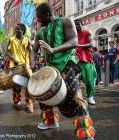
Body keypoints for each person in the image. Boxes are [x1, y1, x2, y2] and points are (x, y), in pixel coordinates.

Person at [33, 3, 95, 140]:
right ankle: (50, 122)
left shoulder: (66, 21)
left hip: (68, 63)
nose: (37, 20)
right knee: (42, 94)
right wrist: (32, 62)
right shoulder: (41, 32)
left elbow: (73, 41)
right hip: (51, 67)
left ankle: (85, 132)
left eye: (39, 17)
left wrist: (54, 50)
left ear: (47, 15)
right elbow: (34, 49)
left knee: (74, 95)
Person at [6, 23, 34, 113]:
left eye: (18, 29)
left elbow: (31, 51)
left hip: (26, 66)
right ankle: (16, 102)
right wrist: (13, 59)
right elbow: (7, 51)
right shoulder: (11, 39)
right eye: (15, 28)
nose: (16, 30)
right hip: (15, 66)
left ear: (22, 30)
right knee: (16, 86)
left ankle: (29, 104)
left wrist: (32, 63)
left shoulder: (27, 40)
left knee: (28, 85)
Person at [74, 19, 97, 105]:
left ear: (82, 24)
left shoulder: (87, 32)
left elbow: (91, 44)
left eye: (78, 24)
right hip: (75, 59)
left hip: (85, 59)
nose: (76, 26)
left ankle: (90, 96)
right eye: (75, 24)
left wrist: (79, 45)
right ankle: (77, 97)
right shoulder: (73, 34)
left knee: (89, 80)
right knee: (74, 80)